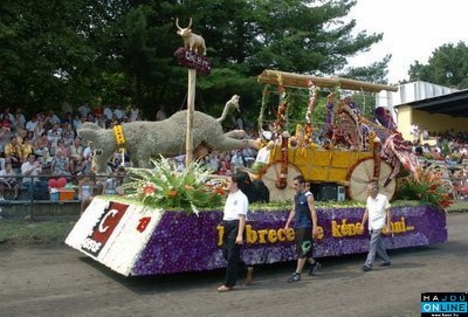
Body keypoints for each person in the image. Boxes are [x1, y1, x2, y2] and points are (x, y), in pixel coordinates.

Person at [217, 172, 254, 292]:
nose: (226, 184)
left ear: (235, 183)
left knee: (232, 256)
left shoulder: (241, 197)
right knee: (225, 253)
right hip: (227, 225)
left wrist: (239, 234)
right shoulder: (230, 195)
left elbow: (242, 217)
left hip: (236, 226)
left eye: (228, 182)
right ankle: (245, 269)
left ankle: (229, 284)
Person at [284, 175, 321, 282]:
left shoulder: (309, 196)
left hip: (306, 226)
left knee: (302, 249)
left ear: (302, 184)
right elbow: (293, 210)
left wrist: (315, 227)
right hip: (298, 225)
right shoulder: (297, 195)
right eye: (294, 184)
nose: (294, 186)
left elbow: (313, 212)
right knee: (303, 248)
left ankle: (297, 273)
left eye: (296, 184)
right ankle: (314, 264)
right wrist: (287, 224)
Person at [358, 182, 392, 271]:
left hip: (379, 224)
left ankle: (368, 264)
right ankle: (386, 260)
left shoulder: (383, 198)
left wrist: (388, 227)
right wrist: (362, 225)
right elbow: (366, 213)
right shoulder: (369, 199)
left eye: (368, 189)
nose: (367, 191)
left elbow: (388, 214)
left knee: (373, 244)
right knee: (378, 245)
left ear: (374, 190)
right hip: (371, 225)